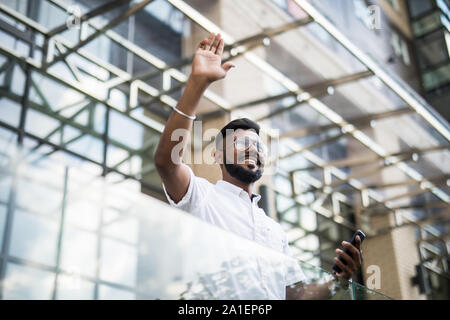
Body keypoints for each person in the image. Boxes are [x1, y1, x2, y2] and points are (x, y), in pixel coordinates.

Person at [154, 32, 363, 300]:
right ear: (217, 156)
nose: (253, 149)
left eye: (258, 146)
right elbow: (166, 163)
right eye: (242, 144)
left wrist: (339, 280)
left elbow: (297, 297)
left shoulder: (274, 230)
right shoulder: (201, 197)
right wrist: (197, 84)